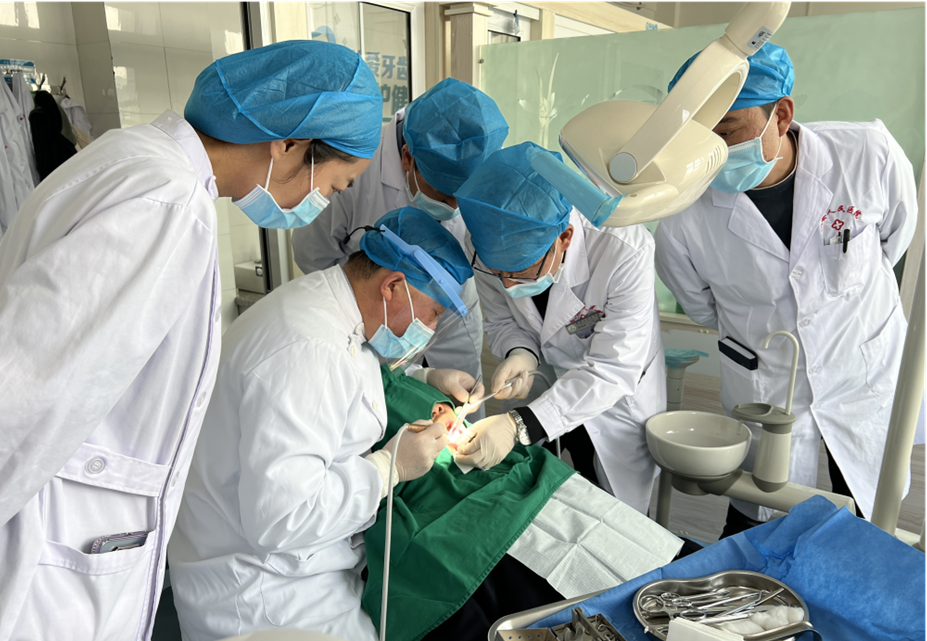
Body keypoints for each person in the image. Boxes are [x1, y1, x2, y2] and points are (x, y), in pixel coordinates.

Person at [0, 40, 382, 640]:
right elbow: (19, 392)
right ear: (288, 144)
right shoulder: (166, 201)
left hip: (76, 533)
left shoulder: (137, 162)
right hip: (54, 549)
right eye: (333, 186)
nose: (319, 204)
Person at [168, 207, 480, 641]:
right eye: (432, 313)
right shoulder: (308, 351)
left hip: (292, 565)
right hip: (266, 593)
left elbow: (346, 376)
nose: (430, 328)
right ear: (392, 286)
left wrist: (426, 377)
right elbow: (282, 518)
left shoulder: (326, 304)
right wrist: (389, 467)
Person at [653, 43, 917, 534]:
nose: (712, 150)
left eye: (726, 131)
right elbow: (700, 306)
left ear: (782, 114)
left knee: (868, 518)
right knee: (758, 515)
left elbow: (896, 238)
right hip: (767, 384)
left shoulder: (866, 154)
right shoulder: (683, 211)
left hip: (860, 375)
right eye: (698, 135)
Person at [361, 364, 683, 641]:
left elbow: (614, 366)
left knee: (653, 570)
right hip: (433, 508)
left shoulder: (368, 353)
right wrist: (388, 467)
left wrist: (422, 375)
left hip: (522, 475)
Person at [453, 142, 667, 515]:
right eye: (497, 272)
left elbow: (613, 368)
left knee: (617, 514)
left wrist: (519, 425)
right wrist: (521, 352)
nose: (507, 284)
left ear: (564, 238)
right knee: (533, 500)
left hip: (612, 399)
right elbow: (503, 319)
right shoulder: (486, 241)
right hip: (545, 384)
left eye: (520, 271)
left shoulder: (624, 249)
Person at [291, 78, 510, 401]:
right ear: (407, 158)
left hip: (453, 313)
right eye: (443, 194)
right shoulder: (353, 169)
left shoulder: (480, 163)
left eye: (464, 198)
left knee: (461, 403)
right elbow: (314, 256)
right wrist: (372, 311)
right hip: (373, 316)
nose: (454, 209)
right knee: (378, 402)